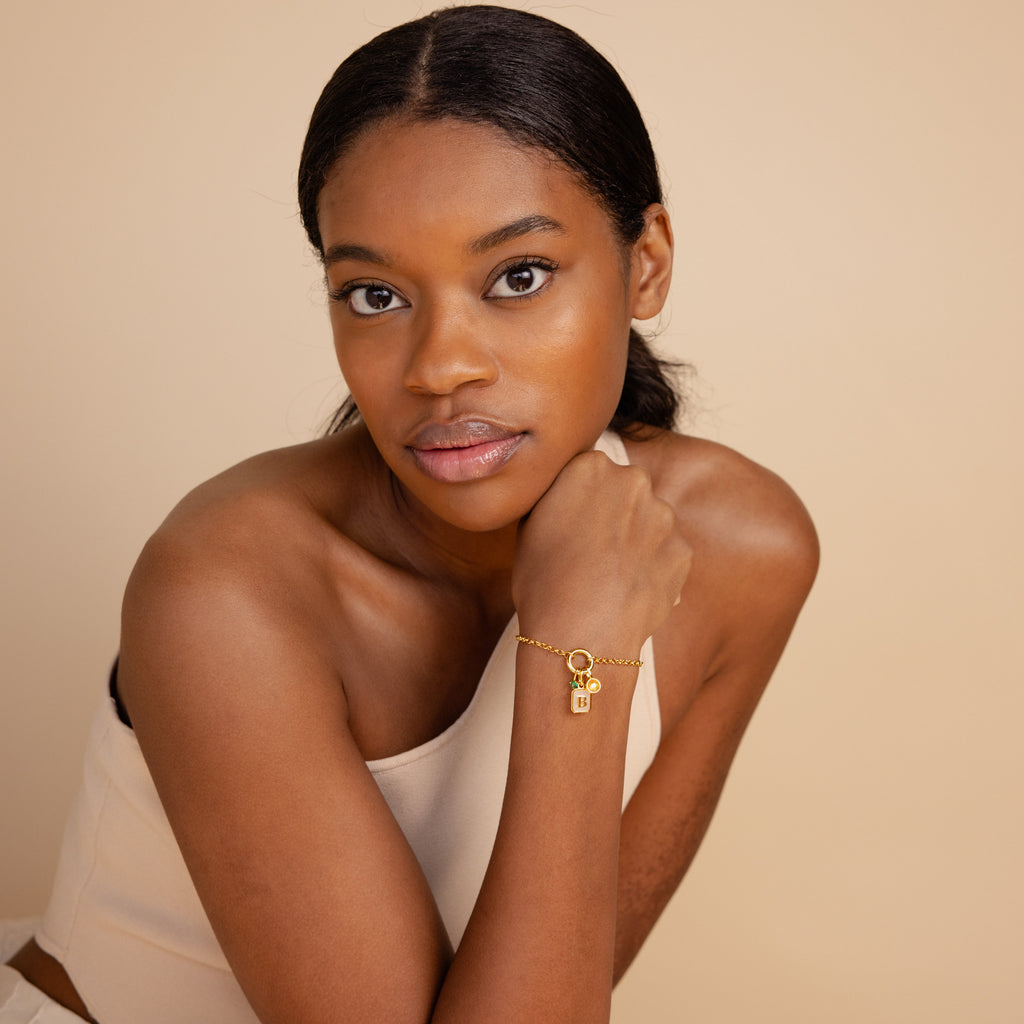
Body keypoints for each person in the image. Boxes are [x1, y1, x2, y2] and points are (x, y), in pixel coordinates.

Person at [2, 5, 818, 1022]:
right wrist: (580, 651)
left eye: (518, 277)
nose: (439, 367)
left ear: (644, 260)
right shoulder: (228, 588)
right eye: (375, 295)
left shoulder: (743, 548)